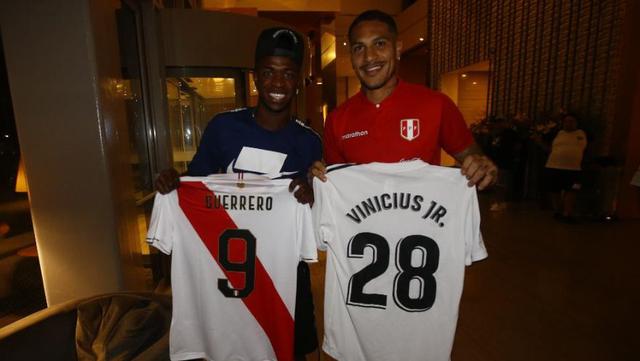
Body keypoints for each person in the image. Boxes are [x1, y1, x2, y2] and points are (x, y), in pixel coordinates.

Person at [155, 27, 320, 360]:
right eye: (269, 72)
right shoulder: (223, 128)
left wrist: (311, 196)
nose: (277, 83)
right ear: (255, 76)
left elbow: (316, 222)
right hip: (226, 270)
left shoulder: (310, 142)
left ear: (298, 80)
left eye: (288, 74)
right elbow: (196, 187)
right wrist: (174, 186)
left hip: (285, 273)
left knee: (290, 351)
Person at [309, 10, 497, 189]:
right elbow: (338, 186)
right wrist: (317, 179)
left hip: (423, 221)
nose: (369, 57)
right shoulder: (337, 120)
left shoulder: (437, 105)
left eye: (380, 44)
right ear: (351, 57)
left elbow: (474, 160)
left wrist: (483, 169)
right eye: (359, 48)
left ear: (397, 49)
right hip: (364, 223)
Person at [537, 113, 588, 222]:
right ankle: (558, 210)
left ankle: (567, 212)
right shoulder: (558, 134)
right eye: (566, 121)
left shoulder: (581, 133)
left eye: (571, 121)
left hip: (574, 169)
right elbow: (549, 149)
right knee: (554, 190)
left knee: (572, 190)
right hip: (554, 166)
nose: (568, 124)